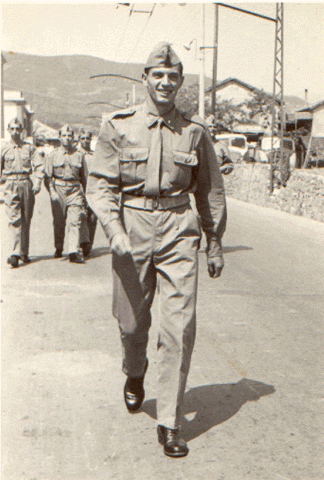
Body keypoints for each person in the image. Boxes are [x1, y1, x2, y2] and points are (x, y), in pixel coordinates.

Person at [86, 42, 227, 458]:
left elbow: (210, 191)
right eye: (158, 75)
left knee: (179, 328)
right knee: (132, 326)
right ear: (145, 79)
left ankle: (169, 421)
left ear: (180, 83)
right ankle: (135, 371)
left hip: (179, 231)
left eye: (173, 77)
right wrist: (113, 229)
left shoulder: (195, 132)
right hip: (130, 228)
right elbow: (100, 185)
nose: (165, 82)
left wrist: (213, 242)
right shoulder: (118, 126)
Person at [1, 118, 45, 268]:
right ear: (8, 130)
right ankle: (14, 253)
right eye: (12, 129)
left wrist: (38, 182)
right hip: (10, 185)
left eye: (17, 129)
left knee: (26, 219)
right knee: (15, 219)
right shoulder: (3, 149)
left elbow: (39, 166)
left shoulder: (29, 148)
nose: (15, 132)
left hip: (26, 184)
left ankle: (23, 252)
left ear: (22, 131)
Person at [45, 125, 88, 263]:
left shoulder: (80, 155)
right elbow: (48, 177)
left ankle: (73, 252)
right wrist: (52, 192)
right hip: (59, 190)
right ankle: (59, 247)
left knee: (74, 221)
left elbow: (85, 178)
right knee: (59, 222)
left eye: (70, 136)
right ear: (60, 137)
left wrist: (86, 197)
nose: (67, 138)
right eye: (64, 135)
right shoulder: (52, 155)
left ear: (73, 138)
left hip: (74, 191)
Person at [77, 128, 97, 256]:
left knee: (93, 217)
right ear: (79, 140)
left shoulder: (95, 155)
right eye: (83, 138)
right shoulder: (77, 154)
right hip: (80, 188)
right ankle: (80, 244)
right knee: (81, 216)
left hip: (94, 189)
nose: (86, 141)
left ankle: (89, 245)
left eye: (88, 138)